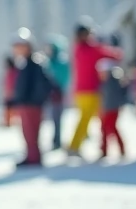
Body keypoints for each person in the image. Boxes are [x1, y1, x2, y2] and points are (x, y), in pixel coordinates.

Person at [67, 19, 123, 157]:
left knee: (86, 119)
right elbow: (115, 55)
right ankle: (75, 146)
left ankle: (88, 145)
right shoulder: (92, 49)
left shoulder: (77, 49)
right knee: (92, 119)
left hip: (80, 91)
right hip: (91, 91)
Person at [7, 28, 52, 167]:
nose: (16, 49)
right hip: (27, 103)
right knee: (28, 132)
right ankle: (31, 156)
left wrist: (32, 100)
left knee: (31, 132)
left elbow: (41, 85)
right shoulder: (26, 63)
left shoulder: (34, 63)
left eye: (18, 46)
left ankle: (34, 157)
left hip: (31, 104)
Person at [98, 59, 128, 159]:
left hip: (111, 110)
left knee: (111, 129)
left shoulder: (111, 83)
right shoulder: (106, 82)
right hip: (107, 109)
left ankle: (116, 149)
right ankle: (105, 149)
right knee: (105, 129)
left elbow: (112, 98)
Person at [44, 34, 71, 149]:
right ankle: (56, 140)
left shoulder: (60, 62)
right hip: (52, 93)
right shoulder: (51, 61)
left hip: (57, 93)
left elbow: (62, 79)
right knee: (54, 118)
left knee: (57, 118)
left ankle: (57, 140)